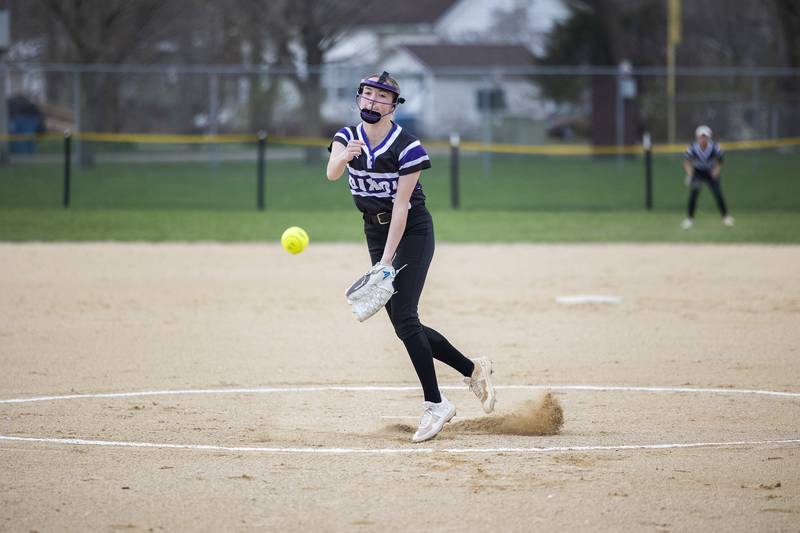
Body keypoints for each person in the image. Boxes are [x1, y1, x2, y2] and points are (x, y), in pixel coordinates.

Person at [325, 71, 496, 443]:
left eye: (381, 98)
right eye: (367, 95)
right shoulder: (346, 136)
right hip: (374, 229)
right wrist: (344, 156)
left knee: (404, 317)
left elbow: (402, 206)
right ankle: (471, 370)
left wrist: (386, 261)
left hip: (412, 230)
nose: (372, 102)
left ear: (393, 106)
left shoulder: (407, 145)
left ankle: (436, 403)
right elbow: (332, 173)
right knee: (404, 325)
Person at [681, 125, 734, 229]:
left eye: (705, 136)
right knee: (694, 195)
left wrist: (716, 171)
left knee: (718, 194)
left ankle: (726, 217)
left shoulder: (714, 147)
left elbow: (720, 161)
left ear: (709, 137)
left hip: (710, 173)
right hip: (698, 173)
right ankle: (689, 219)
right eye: (701, 136)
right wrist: (690, 173)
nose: (703, 139)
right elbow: (686, 162)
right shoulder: (692, 148)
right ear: (697, 137)